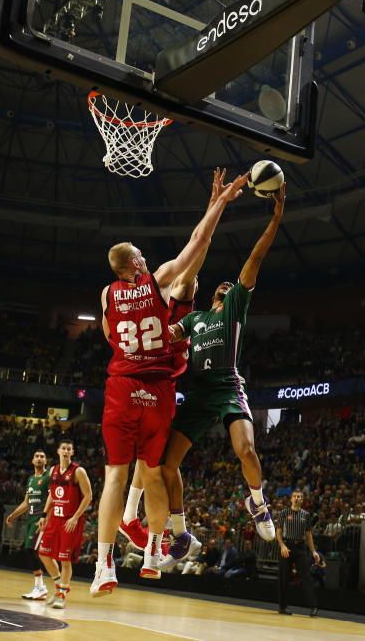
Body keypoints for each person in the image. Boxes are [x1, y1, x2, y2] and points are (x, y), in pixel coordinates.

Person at [91, 170, 246, 596]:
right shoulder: (163, 284)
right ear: (137, 264)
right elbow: (198, 244)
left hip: (124, 378)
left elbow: (109, 336)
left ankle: (125, 555)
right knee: (156, 470)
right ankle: (151, 539)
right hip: (158, 385)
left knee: (126, 473)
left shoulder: (107, 295)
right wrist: (219, 204)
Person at [161, 181, 287, 566]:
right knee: (167, 465)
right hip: (199, 394)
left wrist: (276, 218)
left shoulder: (234, 306)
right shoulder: (196, 318)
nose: (226, 284)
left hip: (229, 387)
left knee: (246, 449)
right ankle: (180, 532)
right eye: (221, 284)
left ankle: (258, 502)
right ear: (209, 293)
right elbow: (166, 336)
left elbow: (254, 259)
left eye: (230, 285)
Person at [36, 439, 92, 610]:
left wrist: (75, 517)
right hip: (55, 520)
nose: (66, 451)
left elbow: (88, 496)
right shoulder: (52, 470)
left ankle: (61, 595)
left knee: (64, 560)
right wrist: (44, 514)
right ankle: (60, 584)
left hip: (70, 521)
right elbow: (52, 495)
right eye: (64, 448)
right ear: (58, 451)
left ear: (72, 452)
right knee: (43, 554)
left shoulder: (78, 471)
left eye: (69, 449)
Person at [5, 450, 51, 600]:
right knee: (32, 551)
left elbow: (53, 499)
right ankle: (40, 587)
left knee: (30, 549)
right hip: (31, 519)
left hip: (41, 520)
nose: (39, 459)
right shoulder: (31, 479)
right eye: (36, 456)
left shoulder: (48, 477)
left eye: (42, 457)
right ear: (32, 460)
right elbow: (26, 503)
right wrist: (12, 515)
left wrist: (46, 517)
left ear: (46, 461)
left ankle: (41, 587)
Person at [275, 489, 319, 617]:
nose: (297, 498)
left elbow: (308, 534)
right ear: (291, 499)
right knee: (284, 578)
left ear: (302, 500)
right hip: (286, 547)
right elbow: (278, 531)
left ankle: (313, 607)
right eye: (294, 496)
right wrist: (282, 545)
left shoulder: (306, 515)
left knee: (306, 577)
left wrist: (314, 551)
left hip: (300, 547)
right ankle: (282, 607)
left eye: (299, 496)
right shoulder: (284, 512)